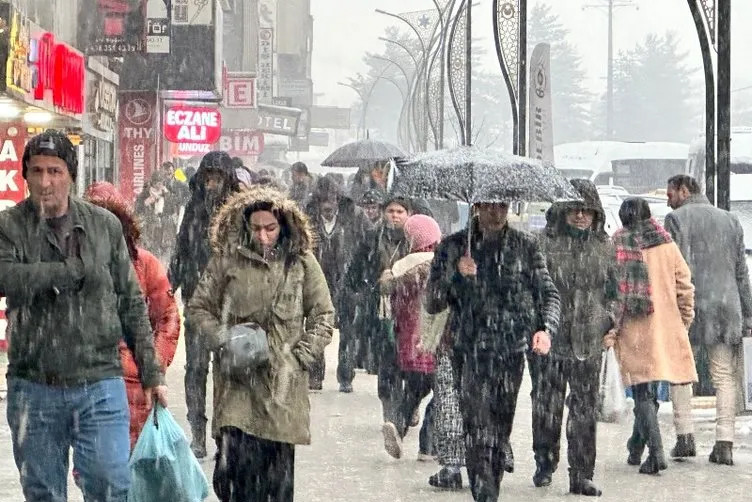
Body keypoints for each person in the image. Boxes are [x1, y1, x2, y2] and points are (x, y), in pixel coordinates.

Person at [0, 130, 168, 502]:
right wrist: (68, 271)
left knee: (110, 484)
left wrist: (151, 372)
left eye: (55, 171)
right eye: (38, 171)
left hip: (99, 380)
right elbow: (7, 278)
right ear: (25, 174)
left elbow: (130, 301)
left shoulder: (103, 227)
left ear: (71, 175)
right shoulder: (9, 226)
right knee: (43, 492)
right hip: (34, 383)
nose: (46, 182)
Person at [187, 186, 334, 502]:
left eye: (270, 228)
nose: (264, 237)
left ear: (283, 227)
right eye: (256, 229)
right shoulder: (227, 260)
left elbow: (324, 316)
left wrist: (297, 358)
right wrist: (226, 339)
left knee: (277, 488)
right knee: (232, 480)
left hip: (282, 393)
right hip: (237, 385)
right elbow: (199, 308)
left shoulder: (302, 264)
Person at [425, 201, 560, 502]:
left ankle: (490, 489)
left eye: (502, 206)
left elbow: (547, 293)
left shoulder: (525, 246)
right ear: (477, 207)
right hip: (468, 350)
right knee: (477, 429)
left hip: (510, 351)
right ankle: (484, 495)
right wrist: (456, 273)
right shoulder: (454, 246)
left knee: (499, 432)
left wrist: (545, 329)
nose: (496, 213)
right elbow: (432, 301)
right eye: (489, 206)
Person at [532, 180, 618, 496]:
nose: (581, 216)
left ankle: (581, 472)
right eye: (574, 210)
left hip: (589, 339)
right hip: (551, 338)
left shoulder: (605, 247)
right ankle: (545, 458)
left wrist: (609, 320)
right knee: (547, 406)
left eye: (587, 211)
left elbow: (614, 291)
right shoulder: (543, 244)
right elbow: (534, 291)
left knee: (584, 409)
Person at [605, 197, 697, 475]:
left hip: (633, 327)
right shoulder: (666, 243)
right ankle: (636, 445)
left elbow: (611, 290)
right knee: (648, 389)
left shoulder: (618, 244)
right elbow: (685, 284)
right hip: (665, 326)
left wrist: (610, 328)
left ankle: (655, 452)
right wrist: (684, 319)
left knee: (642, 391)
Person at [85, 182, 181, 448]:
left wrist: (152, 363)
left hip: (133, 381)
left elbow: (168, 318)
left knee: (128, 460)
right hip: (88, 379)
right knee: (93, 463)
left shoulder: (146, 264)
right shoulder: (72, 265)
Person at [664, 175, 752, 465]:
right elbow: (741, 271)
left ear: (684, 190)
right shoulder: (730, 220)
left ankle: (685, 437)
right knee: (724, 376)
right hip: (727, 306)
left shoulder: (676, 220)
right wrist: (748, 313)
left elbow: (673, 269)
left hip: (689, 306)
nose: (668, 199)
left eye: (671, 193)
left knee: (681, 371)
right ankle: (724, 442)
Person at [168, 150, 241, 458]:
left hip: (232, 305)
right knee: (195, 369)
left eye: (217, 177)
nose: (212, 183)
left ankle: (223, 431)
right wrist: (168, 287)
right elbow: (181, 249)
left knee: (228, 372)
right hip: (198, 303)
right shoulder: (193, 209)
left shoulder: (239, 213)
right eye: (208, 177)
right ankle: (198, 430)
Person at [378, 214, 441, 460]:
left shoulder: (400, 265)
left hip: (408, 341)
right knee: (444, 392)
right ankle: (428, 445)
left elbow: (394, 302)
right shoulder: (439, 263)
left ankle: (398, 424)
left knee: (415, 388)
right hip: (436, 337)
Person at [305, 175, 373, 390]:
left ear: (339, 200)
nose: (328, 205)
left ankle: (346, 377)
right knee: (316, 328)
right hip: (316, 283)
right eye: (323, 200)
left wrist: (363, 274)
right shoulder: (306, 219)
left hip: (347, 282)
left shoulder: (355, 217)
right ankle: (315, 375)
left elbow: (369, 242)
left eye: (332, 199)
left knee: (348, 332)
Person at [339, 197, 412, 392]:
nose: (395, 216)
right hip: (378, 303)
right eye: (391, 211)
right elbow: (356, 267)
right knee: (386, 357)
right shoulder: (372, 237)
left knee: (407, 356)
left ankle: (408, 400)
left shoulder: (414, 238)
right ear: (383, 213)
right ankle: (390, 408)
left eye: (399, 212)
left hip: (408, 304)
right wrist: (357, 290)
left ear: (408, 214)